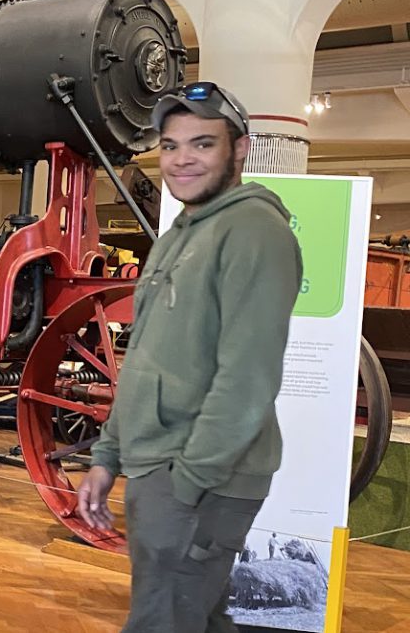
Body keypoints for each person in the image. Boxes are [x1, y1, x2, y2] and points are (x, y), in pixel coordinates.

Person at [77, 82, 303, 633]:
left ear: (240, 147)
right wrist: (109, 456)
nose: (181, 160)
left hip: (203, 477)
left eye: (202, 144)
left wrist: (185, 484)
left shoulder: (254, 230)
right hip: (162, 466)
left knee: (163, 619)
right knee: (193, 615)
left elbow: (247, 379)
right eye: (171, 145)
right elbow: (150, 358)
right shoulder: (183, 230)